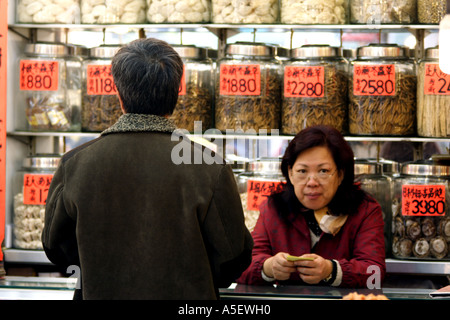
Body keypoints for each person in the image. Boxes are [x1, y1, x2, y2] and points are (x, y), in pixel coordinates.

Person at [42, 38, 253, 300]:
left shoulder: (75, 164)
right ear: (176, 94)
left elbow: (56, 248)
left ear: (118, 94)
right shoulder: (208, 165)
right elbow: (233, 255)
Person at [237, 125, 386, 288]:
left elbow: (375, 272)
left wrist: (331, 270)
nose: (312, 182)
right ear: (290, 173)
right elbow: (242, 268)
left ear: (341, 174)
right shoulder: (273, 208)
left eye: (323, 171)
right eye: (302, 171)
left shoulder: (365, 210)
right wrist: (268, 267)